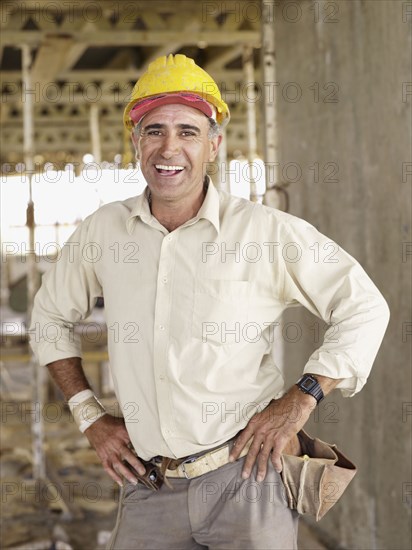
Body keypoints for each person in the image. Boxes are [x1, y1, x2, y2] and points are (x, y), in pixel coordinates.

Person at [30, 54, 390, 549]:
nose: (168, 147)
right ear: (135, 142)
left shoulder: (264, 232)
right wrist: (88, 414)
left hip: (249, 482)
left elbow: (364, 306)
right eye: (153, 130)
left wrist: (302, 397)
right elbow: (49, 316)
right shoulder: (104, 232)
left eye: (188, 131)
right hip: (149, 486)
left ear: (214, 145)